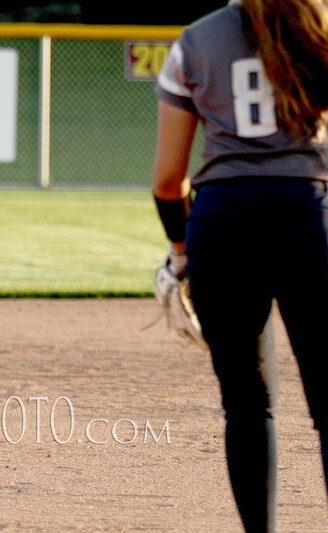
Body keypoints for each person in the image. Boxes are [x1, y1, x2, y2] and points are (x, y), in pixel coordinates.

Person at [151, 0, 328, 530]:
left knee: (247, 407)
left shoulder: (195, 39)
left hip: (222, 228)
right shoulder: (321, 24)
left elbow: (168, 181)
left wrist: (180, 251)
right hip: (310, 221)